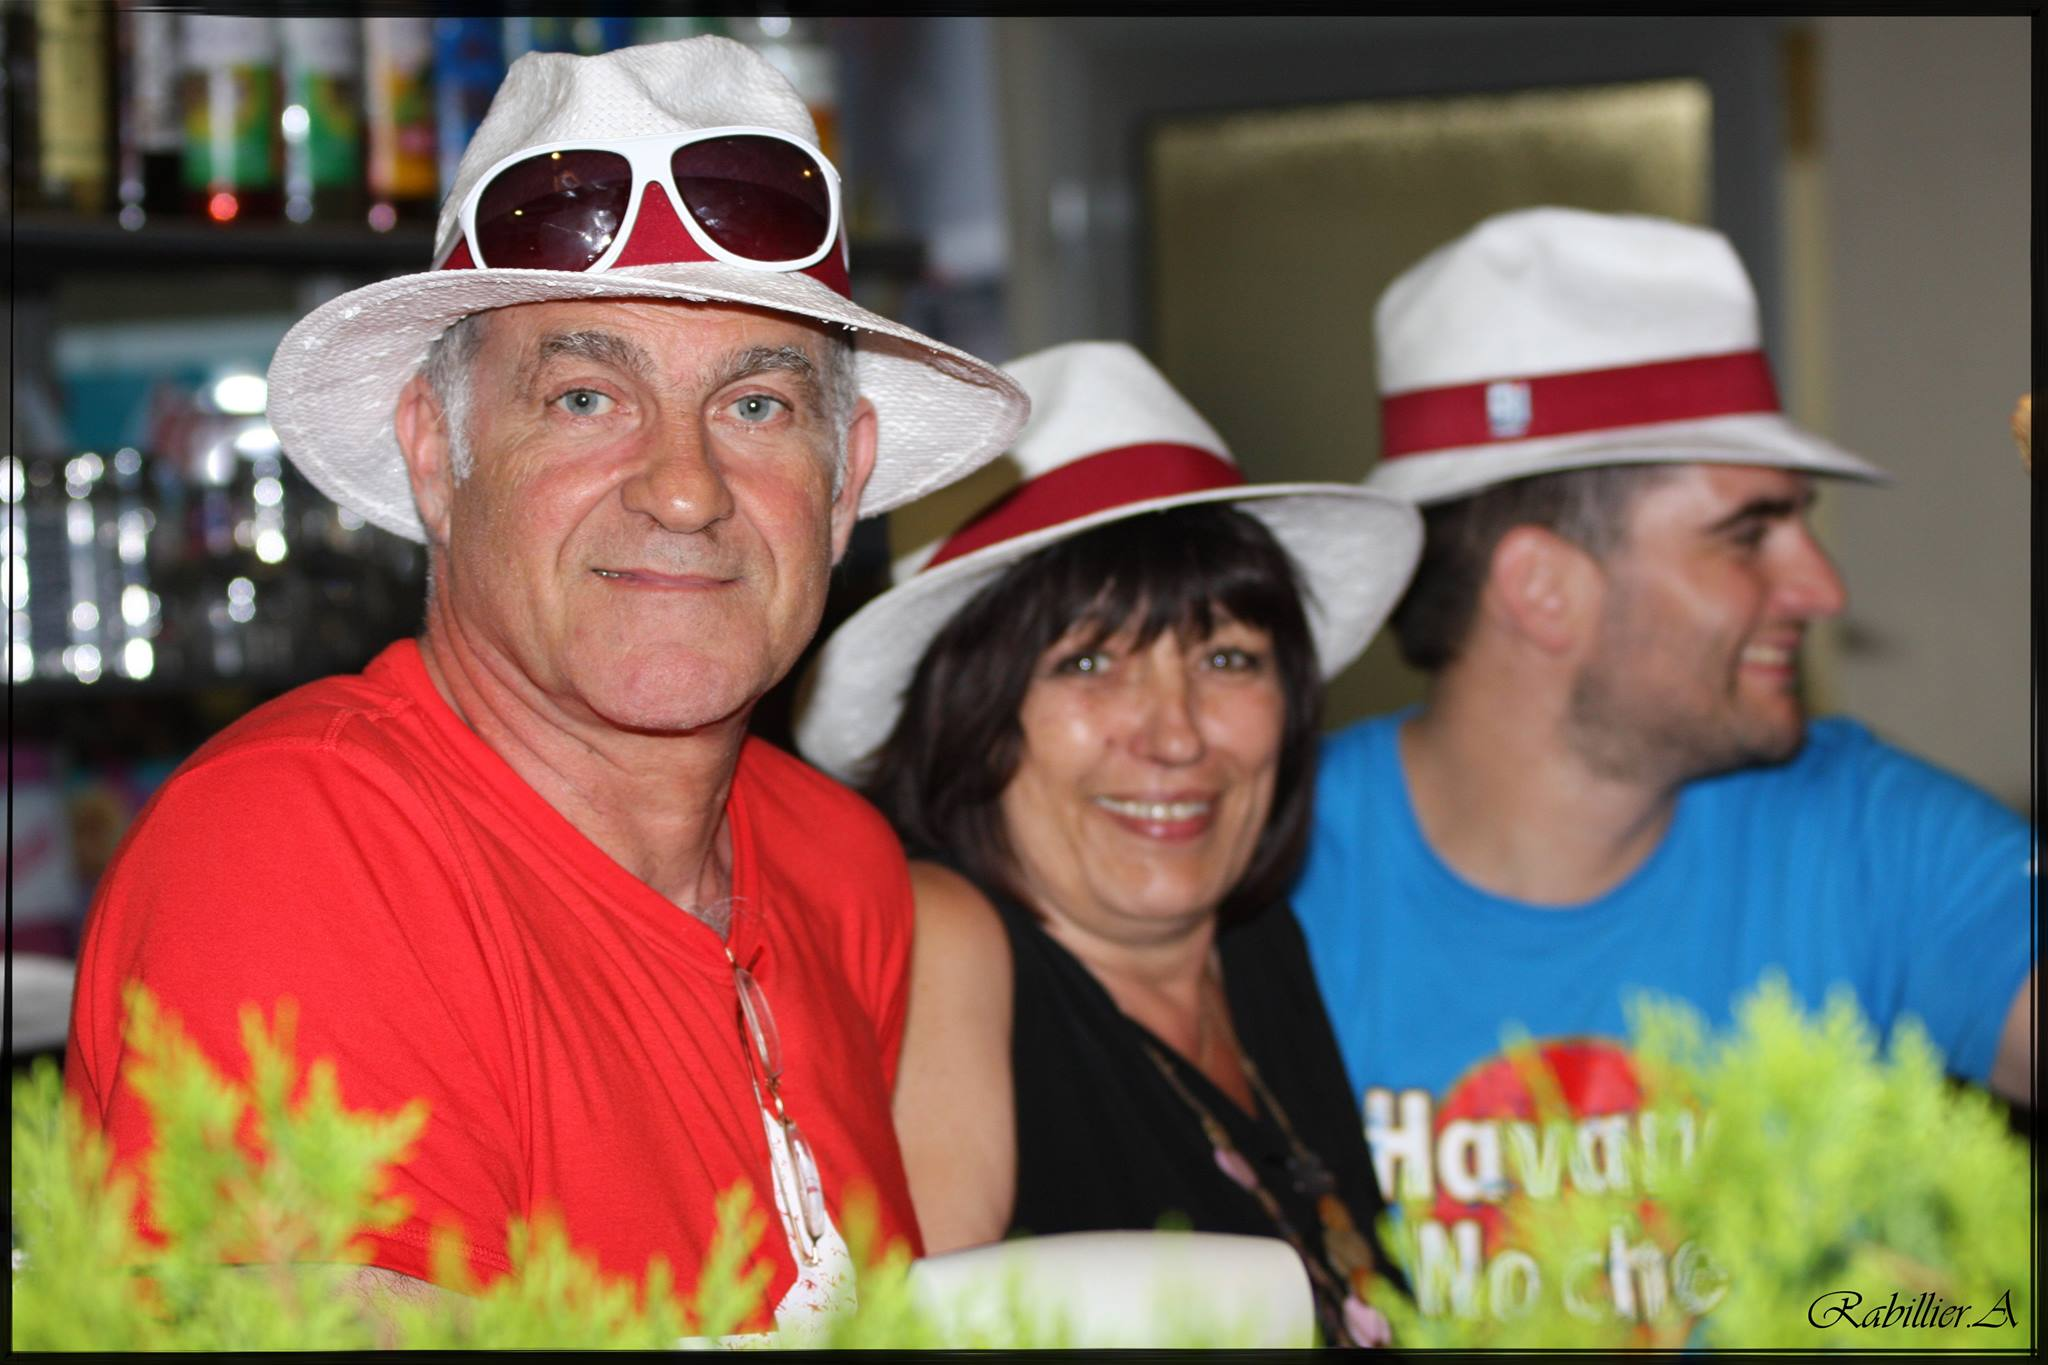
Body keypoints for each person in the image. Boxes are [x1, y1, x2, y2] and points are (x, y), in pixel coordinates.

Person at [63, 36, 1029, 1334]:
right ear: (435, 453)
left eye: (757, 406)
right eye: (584, 397)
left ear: (844, 481)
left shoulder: (842, 871)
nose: (683, 489)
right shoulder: (303, 846)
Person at [1290, 207, 2036, 1318]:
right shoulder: (1262, 873)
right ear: (1541, 589)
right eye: (1748, 534)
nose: (1822, 588)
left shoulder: (1868, 839)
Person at [794, 341, 1425, 1347]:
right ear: (972, 716)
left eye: (1228, 658)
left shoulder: (1257, 945)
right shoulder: (949, 942)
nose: (1176, 735)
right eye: (1089, 663)